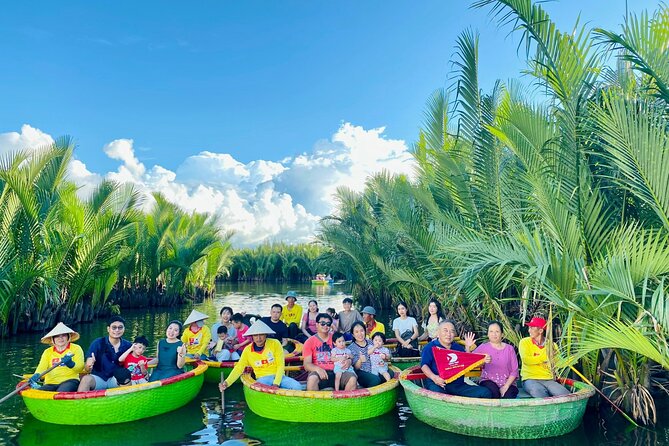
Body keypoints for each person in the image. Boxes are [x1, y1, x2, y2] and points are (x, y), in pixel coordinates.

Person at [219, 320, 302, 391]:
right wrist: (227, 382)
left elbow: (280, 365)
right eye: (255, 335)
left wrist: (276, 384)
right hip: (263, 378)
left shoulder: (275, 343)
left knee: (297, 387)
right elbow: (239, 368)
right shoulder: (247, 350)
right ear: (252, 337)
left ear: (266, 335)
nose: (258, 338)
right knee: (261, 388)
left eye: (261, 335)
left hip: (280, 377)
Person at [420, 320, 492, 398]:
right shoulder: (430, 347)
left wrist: (482, 358)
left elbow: (467, 362)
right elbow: (424, 365)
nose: (448, 334)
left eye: (452, 331)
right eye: (445, 331)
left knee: (485, 393)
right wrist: (434, 378)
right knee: (440, 396)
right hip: (437, 383)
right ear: (438, 333)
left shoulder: (458, 348)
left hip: (457, 385)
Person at [303, 313, 358, 391]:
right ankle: (315, 403)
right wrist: (318, 369)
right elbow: (307, 364)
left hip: (339, 370)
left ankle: (344, 402)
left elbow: (347, 353)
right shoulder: (309, 342)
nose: (325, 326)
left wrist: (349, 361)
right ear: (317, 324)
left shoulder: (336, 338)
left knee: (352, 379)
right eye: (322, 323)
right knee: (312, 379)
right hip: (320, 373)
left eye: (328, 324)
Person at [78, 316, 133, 391]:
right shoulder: (98, 343)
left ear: (124, 329)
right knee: (86, 379)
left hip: (117, 380)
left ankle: (125, 401)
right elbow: (87, 369)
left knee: (126, 377)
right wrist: (88, 365)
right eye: (114, 327)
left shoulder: (128, 346)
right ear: (108, 329)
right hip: (99, 378)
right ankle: (82, 402)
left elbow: (137, 360)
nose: (117, 330)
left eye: (120, 327)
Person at [519, 317, 570, 398]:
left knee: (565, 394)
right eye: (529, 328)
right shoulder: (524, 342)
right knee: (538, 391)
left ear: (540, 331)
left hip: (548, 379)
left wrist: (569, 361)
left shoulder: (552, 345)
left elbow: (557, 364)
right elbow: (526, 360)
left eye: (532, 328)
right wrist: (546, 357)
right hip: (530, 379)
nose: (529, 330)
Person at [32, 322, 85, 392]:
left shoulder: (76, 348)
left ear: (68, 337)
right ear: (53, 339)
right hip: (50, 383)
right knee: (38, 392)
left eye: (64, 335)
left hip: (70, 381)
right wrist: (37, 374)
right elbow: (41, 367)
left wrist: (71, 364)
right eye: (57, 336)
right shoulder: (47, 352)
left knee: (61, 391)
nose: (60, 338)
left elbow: (80, 368)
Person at [474, 321, 519, 398]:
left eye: (497, 331)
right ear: (488, 334)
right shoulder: (483, 347)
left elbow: (514, 371)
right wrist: (468, 347)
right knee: (493, 393)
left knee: (508, 397)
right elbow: (470, 359)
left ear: (502, 334)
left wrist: (506, 386)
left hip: (508, 382)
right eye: (491, 331)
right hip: (488, 381)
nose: (494, 334)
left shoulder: (509, 349)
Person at [348, 321, 385, 387]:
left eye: (362, 331)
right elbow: (356, 367)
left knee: (389, 374)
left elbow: (382, 351)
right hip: (361, 372)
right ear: (353, 334)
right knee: (376, 380)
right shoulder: (351, 348)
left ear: (365, 331)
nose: (360, 334)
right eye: (356, 332)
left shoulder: (371, 342)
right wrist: (360, 360)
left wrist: (384, 357)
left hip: (375, 367)